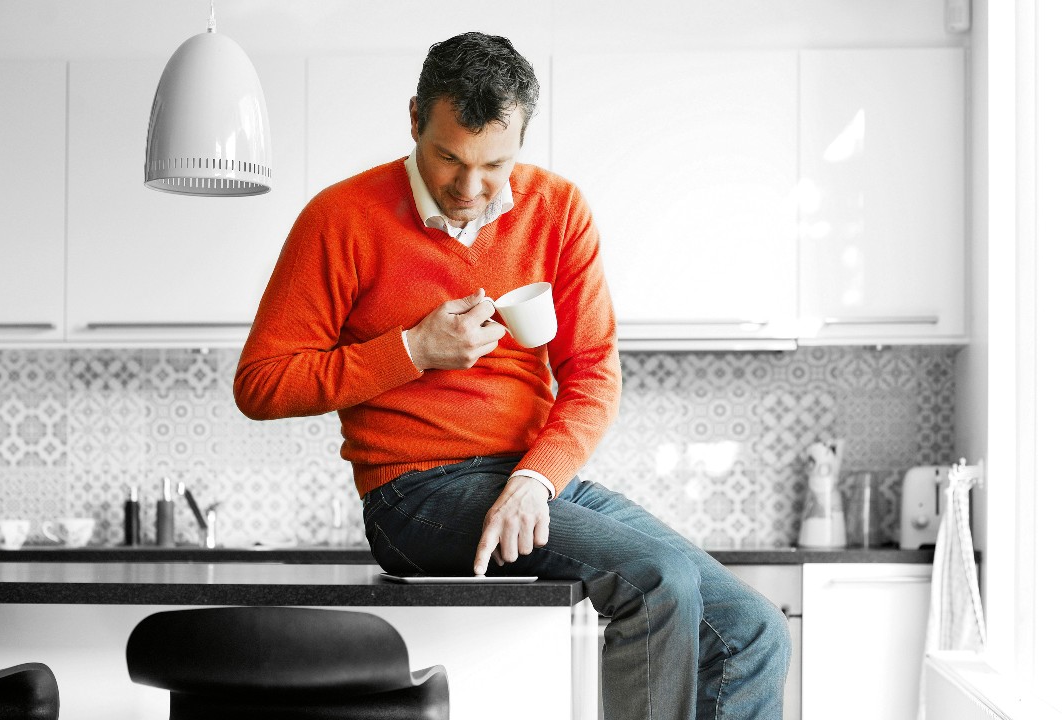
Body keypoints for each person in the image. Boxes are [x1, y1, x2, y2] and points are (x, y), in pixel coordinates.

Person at [233, 31, 790, 720]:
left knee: (753, 629)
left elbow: (591, 375)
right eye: (447, 158)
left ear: (524, 137)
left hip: (536, 479)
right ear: (414, 120)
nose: (469, 187)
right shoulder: (340, 218)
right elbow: (261, 383)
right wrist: (410, 349)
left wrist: (535, 480)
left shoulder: (558, 210)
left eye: (494, 165)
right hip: (415, 493)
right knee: (658, 580)